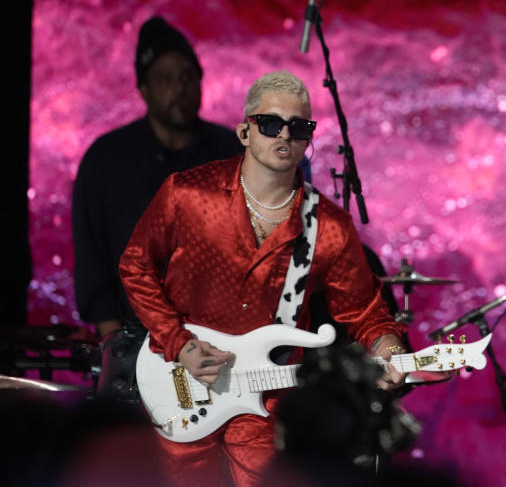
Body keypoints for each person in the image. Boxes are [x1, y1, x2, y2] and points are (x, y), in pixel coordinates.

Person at [118, 69, 407, 487]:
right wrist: (179, 345)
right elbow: (136, 266)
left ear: (309, 138)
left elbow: (364, 314)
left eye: (299, 127)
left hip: (269, 403)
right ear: (244, 131)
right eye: (270, 123)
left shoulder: (329, 226)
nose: (284, 135)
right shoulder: (187, 194)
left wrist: (390, 347)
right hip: (178, 381)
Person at [72, 16, 242, 400]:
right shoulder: (106, 160)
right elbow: (91, 258)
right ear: (144, 90)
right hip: (133, 341)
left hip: (224, 342)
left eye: (187, 77)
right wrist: (114, 342)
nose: (179, 89)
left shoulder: (233, 152)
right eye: (165, 80)